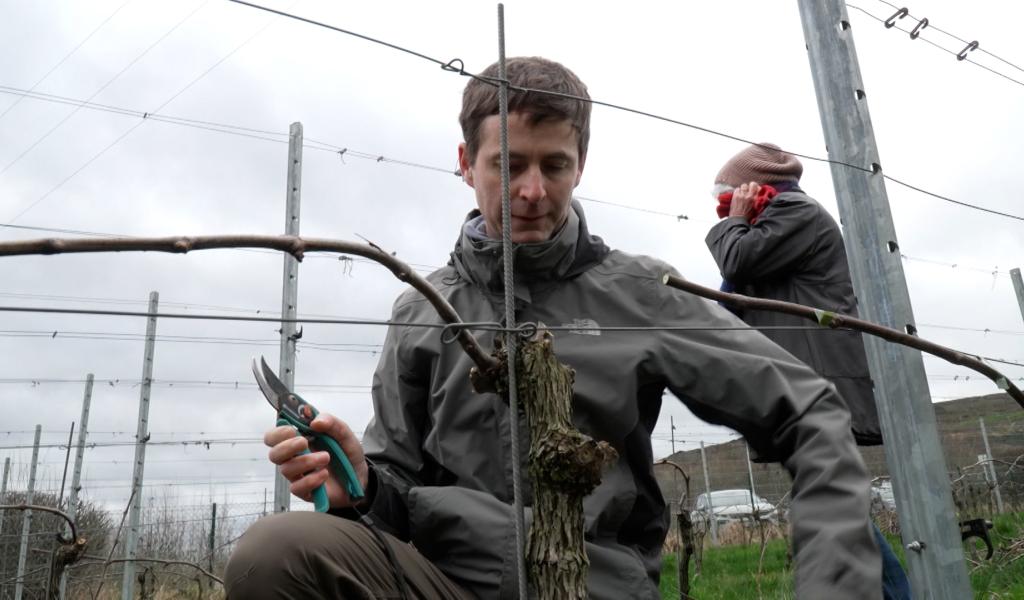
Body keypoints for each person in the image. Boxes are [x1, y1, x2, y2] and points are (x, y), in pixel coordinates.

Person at [225, 58, 881, 599]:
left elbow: (810, 413)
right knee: (274, 553)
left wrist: (835, 586)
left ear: (580, 164)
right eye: (507, 165)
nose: (532, 190)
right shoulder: (424, 310)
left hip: (597, 587)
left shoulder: (638, 293)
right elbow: (398, 492)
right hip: (448, 583)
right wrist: (363, 487)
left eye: (554, 165)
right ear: (466, 162)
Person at [705, 142, 910, 599]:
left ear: (754, 188)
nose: (723, 204)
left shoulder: (795, 212)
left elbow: (736, 261)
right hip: (801, 382)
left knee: (835, 508)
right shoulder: (775, 224)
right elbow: (737, 302)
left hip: (819, 383)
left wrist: (733, 221)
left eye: (727, 193)